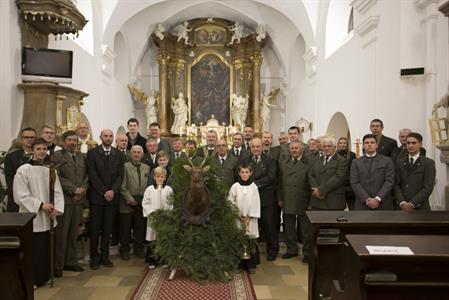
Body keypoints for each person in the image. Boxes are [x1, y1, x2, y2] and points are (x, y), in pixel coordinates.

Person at [13, 138, 64, 286]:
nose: (42, 152)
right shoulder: (24, 170)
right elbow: (20, 195)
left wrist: (57, 210)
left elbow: (58, 191)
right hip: (32, 217)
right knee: (33, 250)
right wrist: (40, 205)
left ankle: (43, 277)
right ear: (32, 151)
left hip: (48, 217)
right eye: (38, 149)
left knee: (45, 250)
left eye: (44, 149)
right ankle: (31, 280)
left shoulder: (50, 170)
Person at [86, 129, 124, 269]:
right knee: (95, 229)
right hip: (97, 197)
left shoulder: (118, 154)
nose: (108, 138)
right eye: (105, 136)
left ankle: (105, 256)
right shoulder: (92, 153)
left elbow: (121, 175)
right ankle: (94, 258)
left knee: (108, 229)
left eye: (110, 136)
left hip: (112, 198)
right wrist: (104, 191)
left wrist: (113, 190)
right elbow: (92, 174)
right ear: (100, 137)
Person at [54, 131, 88, 277]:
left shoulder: (81, 156)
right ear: (63, 141)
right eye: (70, 140)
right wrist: (74, 190)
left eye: (75, 140)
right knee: (62, 233)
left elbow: (87, 175)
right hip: (65, 201)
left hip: (78, 201)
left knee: (74, 232)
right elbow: (57, 177)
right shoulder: (56, 156)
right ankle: (58, 265)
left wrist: (82, 190)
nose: (73, 143)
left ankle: (71, 261)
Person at [244, 137, 278, 261]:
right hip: (250, 199)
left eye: (258, 146)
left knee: (269, 225)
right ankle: (252, 252)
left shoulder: (270, 159)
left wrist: (255, 185)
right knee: (252, 225)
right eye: (253, 147)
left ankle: (272, 250)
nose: (255, 149)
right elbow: (243, 174)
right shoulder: (246, 159)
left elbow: (271, 177)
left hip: (265, 197)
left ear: (262, 147)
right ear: (250, 148)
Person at [279, 141, 311, 263]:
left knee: (305, 229)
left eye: (296, 148)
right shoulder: (284, 163)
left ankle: (307, 253)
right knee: (289, 228)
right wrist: (280, 198)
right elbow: (279, 183)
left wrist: (310, 202)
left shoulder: (308, 164)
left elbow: (311, 184)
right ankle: (291, 250)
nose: (294, 150)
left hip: (303, 199)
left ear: (301, 150)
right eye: (292, 148)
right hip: (287, 199)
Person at [228, 164, 261, 274]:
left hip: (250, 220)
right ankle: (239, 265)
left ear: (250, 173)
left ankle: (251, 265)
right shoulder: (235, 186)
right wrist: (238, 215)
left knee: (250, 240)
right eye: (242, 172)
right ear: (239, 173)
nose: (244, 174)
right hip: (238, 218)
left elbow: (256, 203)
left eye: (246, 172)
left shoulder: (254, 187)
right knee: (239, 239)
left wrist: (249, 217)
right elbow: (230, 202)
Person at [119, 145, 150, 260]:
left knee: (140, 227)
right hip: (127, 202)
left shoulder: (146, 167)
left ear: (142, 154)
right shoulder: (124, 167)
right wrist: (129, 199)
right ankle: (124, 250)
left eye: (139, 152)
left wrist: (144, 200)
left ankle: (139, 248)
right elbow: (122, 185)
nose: (136, 154)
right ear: (130, 154)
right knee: (125, 228)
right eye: (134, 152)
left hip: (141, 203)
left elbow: (149, 185)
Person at [350, 134, 395, 210]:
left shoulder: (387, 160)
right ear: (363, 146)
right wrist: (367, 199)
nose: (370, 144)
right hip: (363, 203)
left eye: (372, 142)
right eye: (367, 143)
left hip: (383, 203)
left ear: (377, 145)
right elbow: (354, 182)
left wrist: (377, 198)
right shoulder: (356, 162)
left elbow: (389, 181)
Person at [394, 132, 436, 211]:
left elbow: (428, 187)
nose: (410, 145)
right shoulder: (399, 162)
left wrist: (412, 203)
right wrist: (402, 202)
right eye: (408, 143)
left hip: (420, 207)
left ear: (420, 144)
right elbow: (396, 184)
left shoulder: (428, 163)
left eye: (414, 143)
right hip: (401, 207)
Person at [142, 167, 174, 268]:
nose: (159, 179)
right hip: (153, 218)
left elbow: (171, 203)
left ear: (165, 178)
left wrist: (166, 212)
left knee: (164, 239)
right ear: (154, 177)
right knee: (153, 239)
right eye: (157, 177)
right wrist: (152, 212)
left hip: (165, 219)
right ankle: (153, 261)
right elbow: (145, 203)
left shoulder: (168, 189)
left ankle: (164, 260)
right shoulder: (149, 189)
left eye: (162, 177)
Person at [309, 137, 348, 210]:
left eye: (329, 146)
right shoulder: (316, 160)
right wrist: (316, 189)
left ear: (335, 147)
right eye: (324, 146)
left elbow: (338, 178)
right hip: (317, 201)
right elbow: (311, 175)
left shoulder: (342, 161)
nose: (326, 148)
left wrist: (321, 190)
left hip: (333, 202)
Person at [4, 127, 36, 212]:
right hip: (17, 201)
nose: (29, 139)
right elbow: (10, 181)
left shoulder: (42, 156)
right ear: (21, 139)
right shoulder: (11, 157)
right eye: (26, 137)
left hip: (37, 201)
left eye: (32, 137)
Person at [337, 137, 356, 210]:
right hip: (339, 185)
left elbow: (353, 169)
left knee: (352, 207)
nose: (342, 145)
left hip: (349, 185)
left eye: (344, 143)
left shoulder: (352, 155)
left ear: (347, 145)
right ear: (338, 144)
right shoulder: (335, 155)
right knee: (340, 208)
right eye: (341, 143)